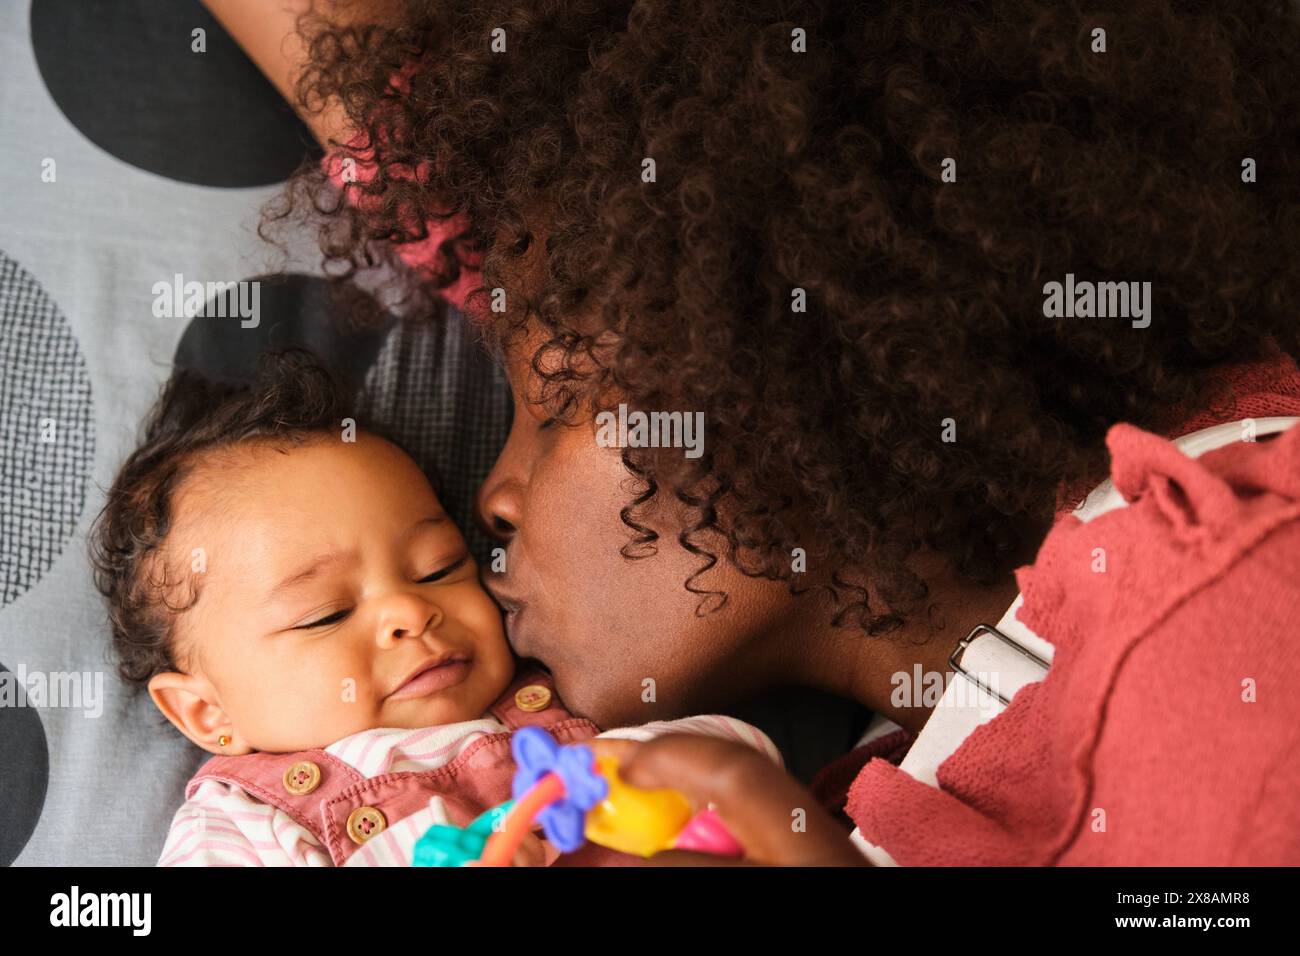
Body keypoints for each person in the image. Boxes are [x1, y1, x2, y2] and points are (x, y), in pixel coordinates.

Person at [217, 0, 1300, 864]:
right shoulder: (885, 790)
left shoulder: (1232, 574)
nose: (489, 499)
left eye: (548, 403)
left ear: (779, 350)